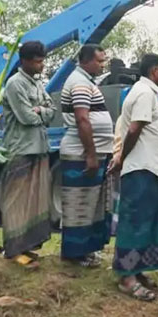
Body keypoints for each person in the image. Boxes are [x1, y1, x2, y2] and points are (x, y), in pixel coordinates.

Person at [108, 53, 158, 302]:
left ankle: (137, 270)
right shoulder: (144, 93)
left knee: (147, 221)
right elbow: (134, 128)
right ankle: (127, 276)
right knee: (135, 221)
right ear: (153, 71)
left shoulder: (148, 92)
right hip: (141, 169)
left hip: (152, 169)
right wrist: (121, 158)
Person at [0, 41, 55, 268]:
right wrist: (42, 112)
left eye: (42, 61)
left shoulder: (37, 84)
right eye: (38, 61)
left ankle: (27, 246)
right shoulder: (15, 84)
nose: (42, 65)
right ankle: (12, 251)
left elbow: (52, 111)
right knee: (16, 201)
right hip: (20, 148)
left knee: (34, 200)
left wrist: (40, 110)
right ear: (25, 61)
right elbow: (26, 118)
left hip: (39, 147)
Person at [58, 44, 114, 268]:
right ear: (86, 60)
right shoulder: (79, 83)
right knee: (78, 205)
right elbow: (82, 119)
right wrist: (90, 155)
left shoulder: (86, 82)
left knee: (90, 204)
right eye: (99, 62)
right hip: (81, 153)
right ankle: (73, 253)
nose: (102, 66)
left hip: (93, 151)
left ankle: (85, 250)